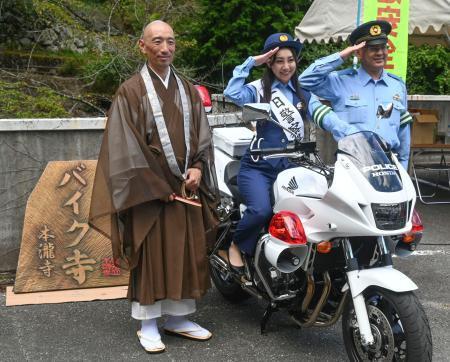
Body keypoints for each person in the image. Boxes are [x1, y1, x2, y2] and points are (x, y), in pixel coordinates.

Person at [89, 20, 218, 354]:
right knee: (152, 255)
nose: (165, 48)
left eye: (171, 42)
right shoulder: (130, 90)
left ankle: (179, 317)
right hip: (147, 191)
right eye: (157, 41)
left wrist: (198, 166)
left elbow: (203, 136)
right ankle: (148, 323)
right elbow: (123, 146)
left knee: (185, 250)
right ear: (141, 46)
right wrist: (156, 184)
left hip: (185, 188)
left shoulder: (188, 88)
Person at [223, 33, 343, 273]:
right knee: (261, 211)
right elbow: (231, 94)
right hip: (258, 167)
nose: (286, 66)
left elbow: (325, 117)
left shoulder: (303, 93)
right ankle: (235, 246)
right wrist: (251, 62)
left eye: (290, 60)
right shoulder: (259, 90)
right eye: (279, 60)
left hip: (291, 168)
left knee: (309, 211)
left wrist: (351, 133)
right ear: (269, 62)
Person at [299, 20, 413, 170]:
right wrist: (342, 55)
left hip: (390, 165)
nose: (380, 53)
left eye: (383, 47)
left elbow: (403, 129)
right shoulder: (341, 82)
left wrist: (403, 167)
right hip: (353, 164)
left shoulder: (397, 85)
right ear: (359, 53)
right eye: (373, 48)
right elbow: (304, 81)